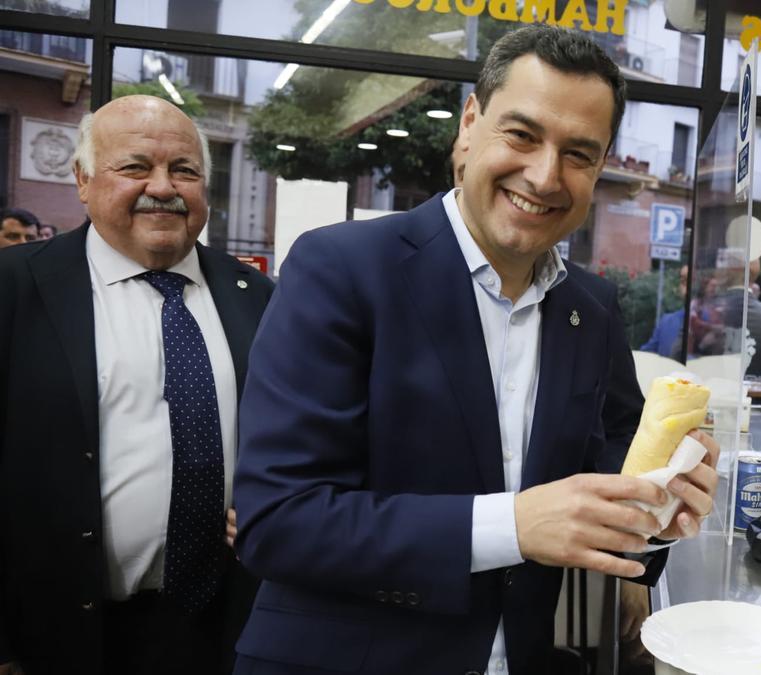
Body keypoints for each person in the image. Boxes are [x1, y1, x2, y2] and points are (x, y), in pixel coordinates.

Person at [232, 26, 719, 675]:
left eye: (579, 153)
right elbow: (278, 519)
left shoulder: (591, 309)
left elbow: (620, 481)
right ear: (470, 125)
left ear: (600, 167)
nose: (546, 176)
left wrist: (664, 506)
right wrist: (514, 525)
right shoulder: (340, 269)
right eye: (522, 135)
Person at [0, 95, 274, 675]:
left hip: (226, 628)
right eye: (134, 167)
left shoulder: (260, 300)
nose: (163, 186)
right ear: (82, 179)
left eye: (184, 170)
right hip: (57, 634)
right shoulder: (14, 288)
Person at [640, 264, 688, 359]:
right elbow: (647, 354)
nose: (687, 289)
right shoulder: (667, 322)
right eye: (683, 281)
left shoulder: (714, 324)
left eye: (693, 282)